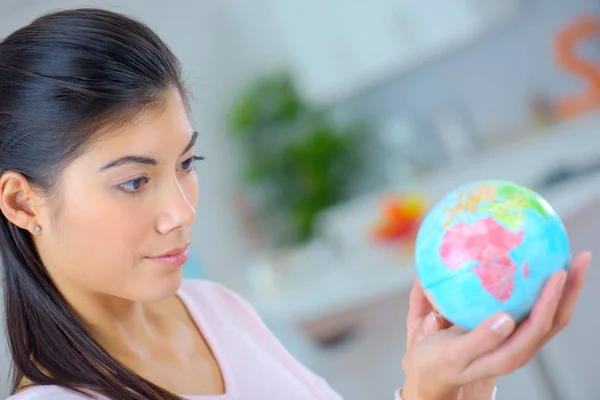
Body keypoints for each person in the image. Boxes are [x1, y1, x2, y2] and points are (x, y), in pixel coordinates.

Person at [0, 8, 591, 400]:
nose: (180, 211)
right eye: (134, 182)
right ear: (24, 202)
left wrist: (452, 386)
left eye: (186, 164)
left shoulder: (215, 309)